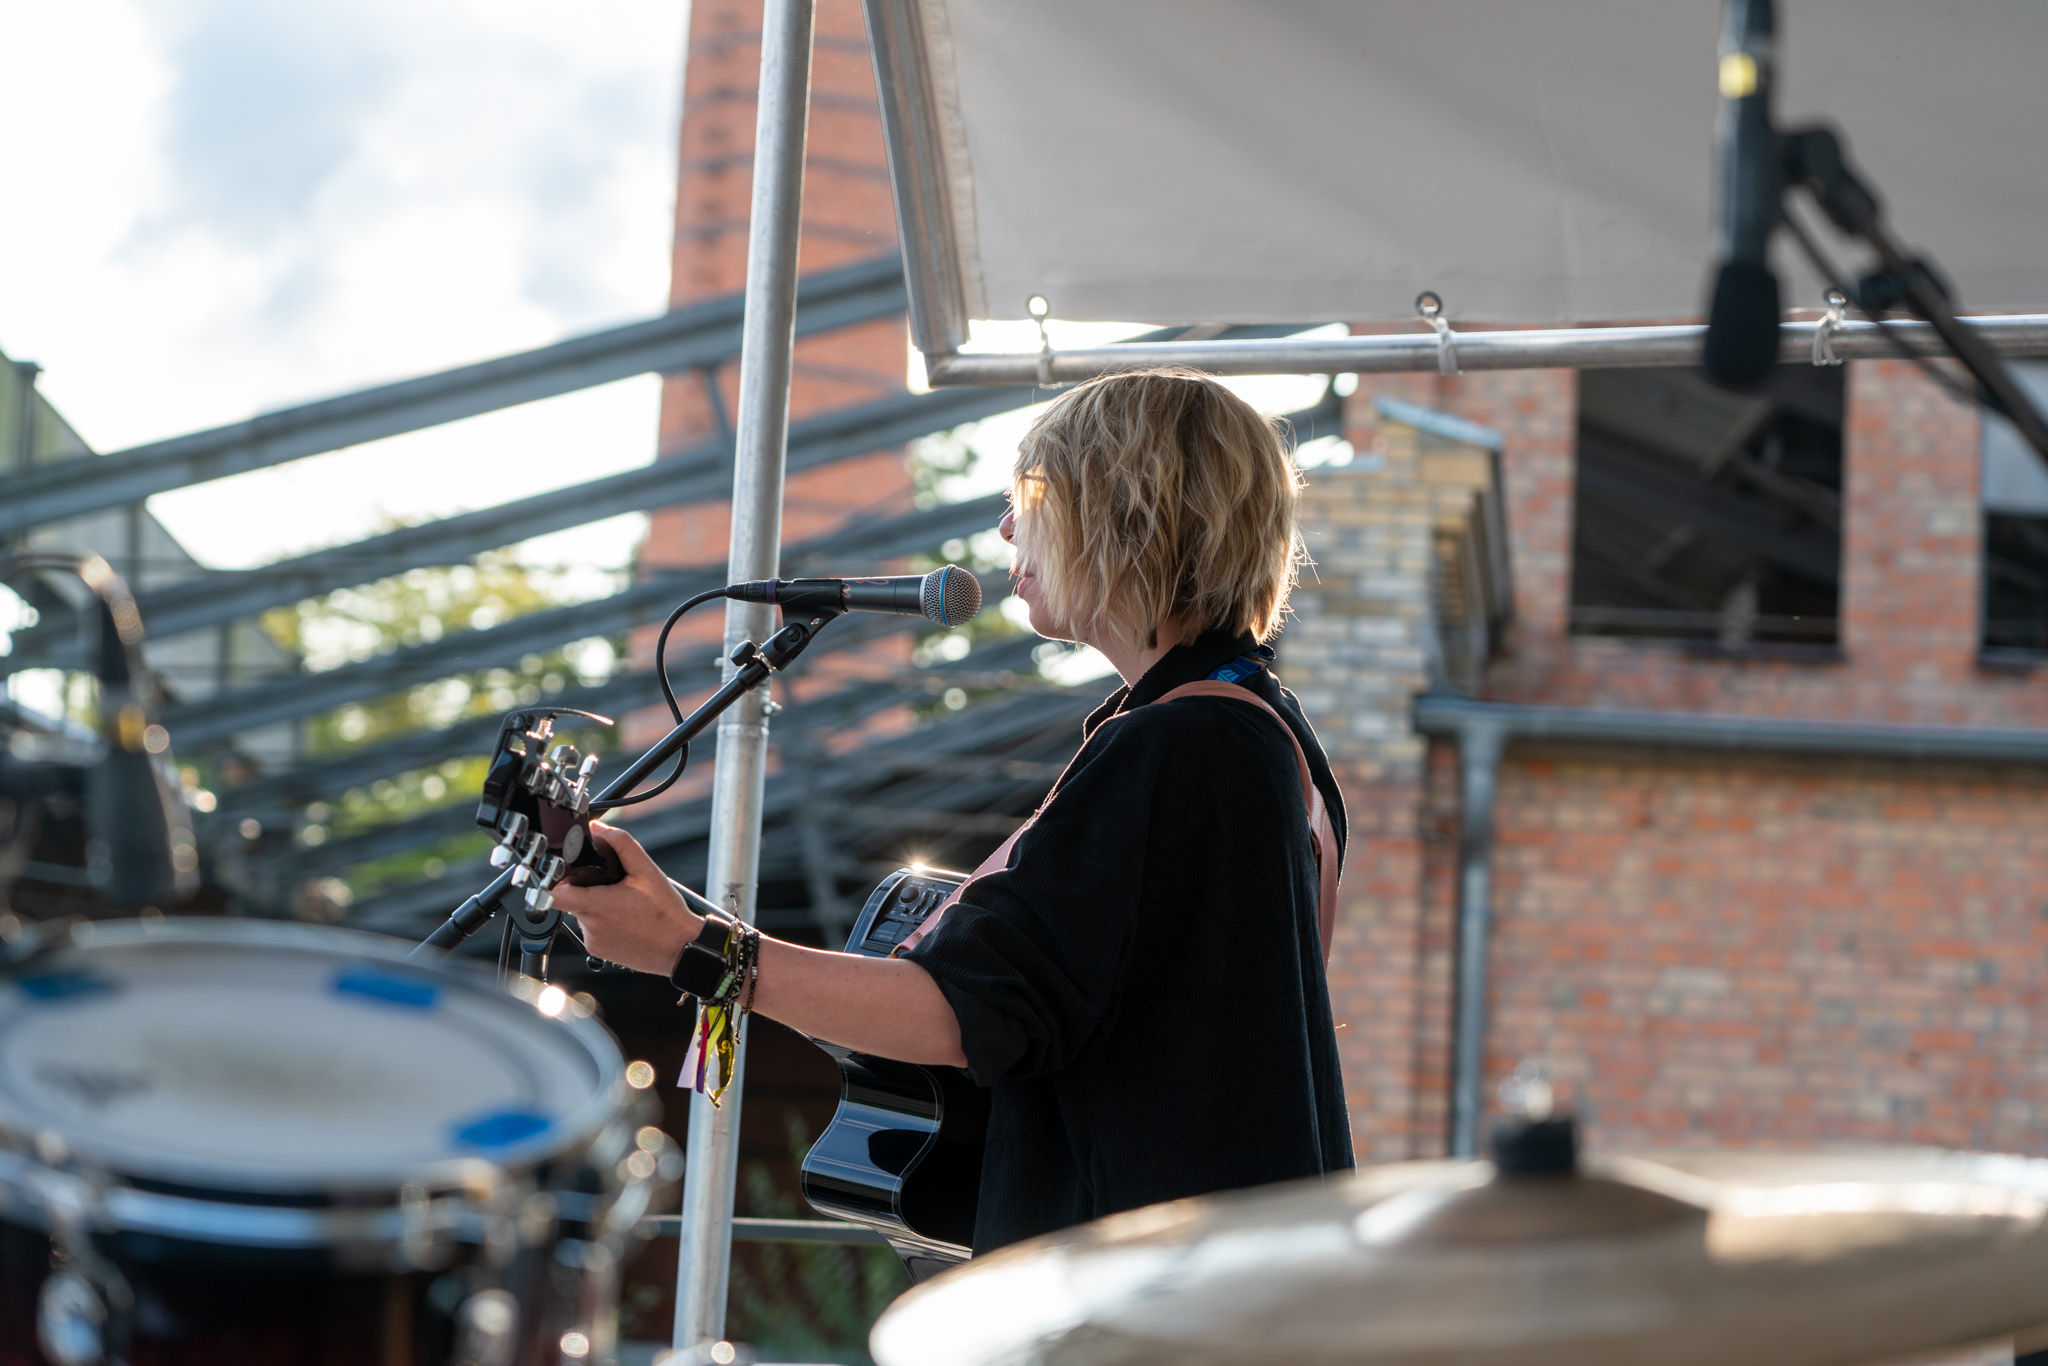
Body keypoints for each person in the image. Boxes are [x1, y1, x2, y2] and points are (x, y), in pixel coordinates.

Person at [554, 367, 1353, 1254]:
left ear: (1129, 511)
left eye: (1032, 498)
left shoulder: (1180, 746)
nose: (1008, 528)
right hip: (1210, 1271)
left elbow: (960, 1013)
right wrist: (688, 929)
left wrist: (693, 950)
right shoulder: (1264, 731)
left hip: (1141, 1287)